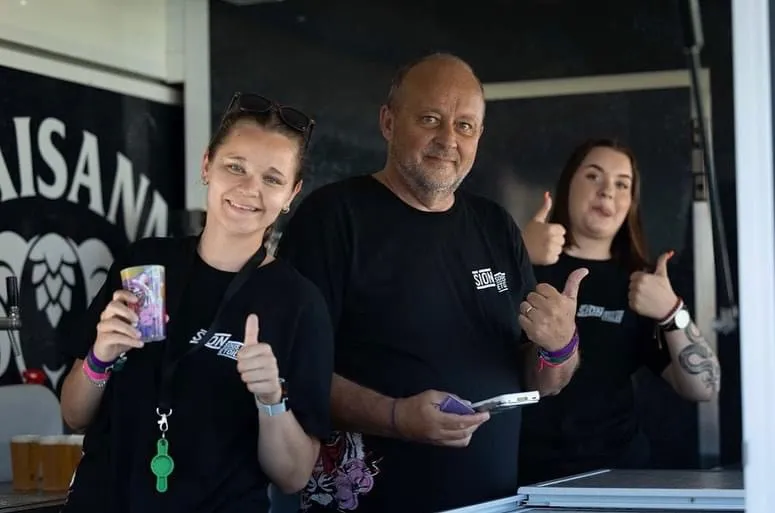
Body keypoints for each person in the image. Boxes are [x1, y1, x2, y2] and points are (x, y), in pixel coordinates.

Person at [276, 53, 587, 513]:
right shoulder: (332, 218)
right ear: (388, 122)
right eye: (429, 119)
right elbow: (291, 372)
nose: (448, 139)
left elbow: (540, 381)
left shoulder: (496, 226)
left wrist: (560, 346)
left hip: (491, 503)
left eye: (465, 126)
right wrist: (397, 417)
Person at [58, 92, 334, 513]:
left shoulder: (300, 304)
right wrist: (99, 358)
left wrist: (271, 399)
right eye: (235, 167)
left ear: (291, 194)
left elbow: (293, 476)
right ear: (207, 165)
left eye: (272, 179)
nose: (249, 189)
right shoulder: (143, 265)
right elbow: (74, 415)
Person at [517, 138, 722, 485]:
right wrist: (516, 254)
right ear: (568, 185)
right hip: (526, 476)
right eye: (593, 176)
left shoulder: (642, 283)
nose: (607, 191)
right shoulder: (526, 263)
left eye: (622, 184)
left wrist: (672, 311)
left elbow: (705, 387)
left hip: (617, 473)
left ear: (631, 202)